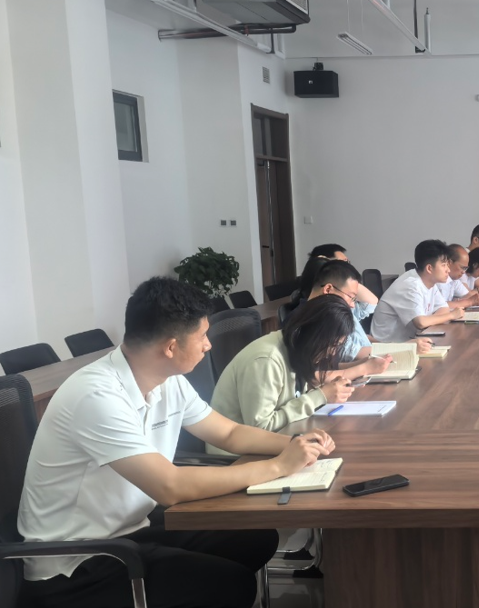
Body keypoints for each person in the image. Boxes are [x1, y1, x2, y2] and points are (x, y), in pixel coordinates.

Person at [18, 277, 335, 608]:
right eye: (202, 336)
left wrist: (292, 443)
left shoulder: (167, 380)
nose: (208, 345)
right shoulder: (95, 396)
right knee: (230, 585)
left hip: (130, 529)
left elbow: (228, 433)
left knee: (254, 538)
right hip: (76, 563)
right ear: (170, 347)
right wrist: (278, 467)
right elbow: (170, 487)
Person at [211, 296, 358, 434]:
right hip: (237, 450)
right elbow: (261, 429)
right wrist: (320, 396)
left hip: (275, 439)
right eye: (332, 345)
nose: (332, 353)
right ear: (315, 336)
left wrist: (323, 392)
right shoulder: (266, 360)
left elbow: (293, 398)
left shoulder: (297, 346)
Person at [291, 260, 397, 378]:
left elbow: (327, 366)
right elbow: (310, 375)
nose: (352, 305)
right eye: (351, 297)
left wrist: (363, 365)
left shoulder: (335, 313)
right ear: (328, 289)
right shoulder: (311, 322)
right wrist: (363, 368)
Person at [370, 240, 466, 342]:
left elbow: (444, 308)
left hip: (411, 341)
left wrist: (430, 320)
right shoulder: (410, 285)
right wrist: (452, 315)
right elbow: (420, 323)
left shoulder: (429, 281)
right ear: (429, 268)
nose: (448, 270)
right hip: (387, 345)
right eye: (443, 265)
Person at [436, 244, 479, 309]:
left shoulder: (454, 279)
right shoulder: (440, 281)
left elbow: (468, 295)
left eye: (465, 268)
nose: (463, 272)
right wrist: (469, 302)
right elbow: (441, 306)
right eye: (462, 268)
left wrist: (476, 298)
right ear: (449, 263)